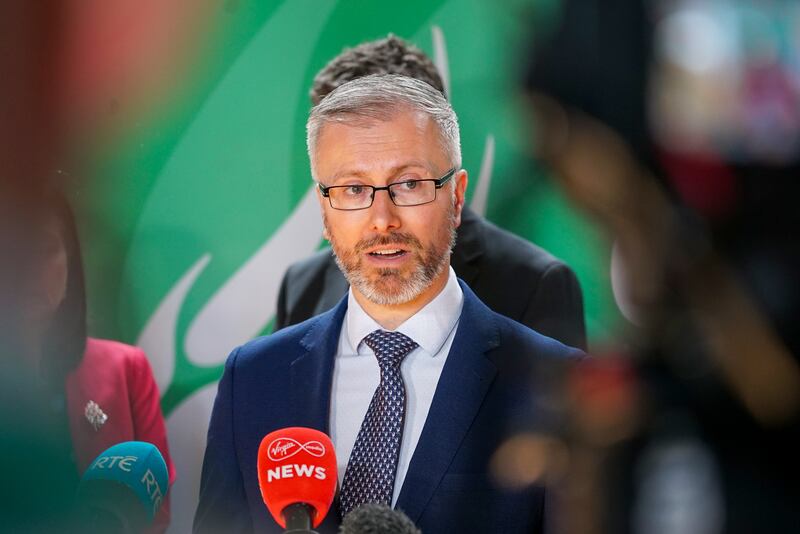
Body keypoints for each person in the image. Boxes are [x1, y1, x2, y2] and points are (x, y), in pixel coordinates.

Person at [194, 74, 583, 533]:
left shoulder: (556, 387)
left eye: (410, 184)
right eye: (353, 190)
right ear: (324, 213)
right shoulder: (254, 380)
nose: (382, 219)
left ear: (456, 198)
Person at [275, 35, 587, 350]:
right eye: (354, 182)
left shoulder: (535, 282)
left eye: (407, 181)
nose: (381, 217)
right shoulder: (301, 285)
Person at [25, 191, 176, 532]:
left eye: (46, 249)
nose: (28, 268)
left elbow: (159, 511)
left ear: (71, 261)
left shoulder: (126, 369)